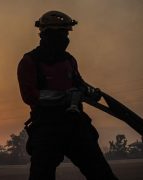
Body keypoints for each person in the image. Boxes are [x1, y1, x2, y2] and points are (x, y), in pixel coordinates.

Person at [17, 11, 118, 180]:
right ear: (47, 33)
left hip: (75, 126)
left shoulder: (69, 60)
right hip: (47, 128)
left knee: (102, 174)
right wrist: (64, 96)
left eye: (66, 33)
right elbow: (29, 96)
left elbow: (78, 84)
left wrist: (89, 93)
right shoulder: (29, 61)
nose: (65, 38)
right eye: (61, 33)